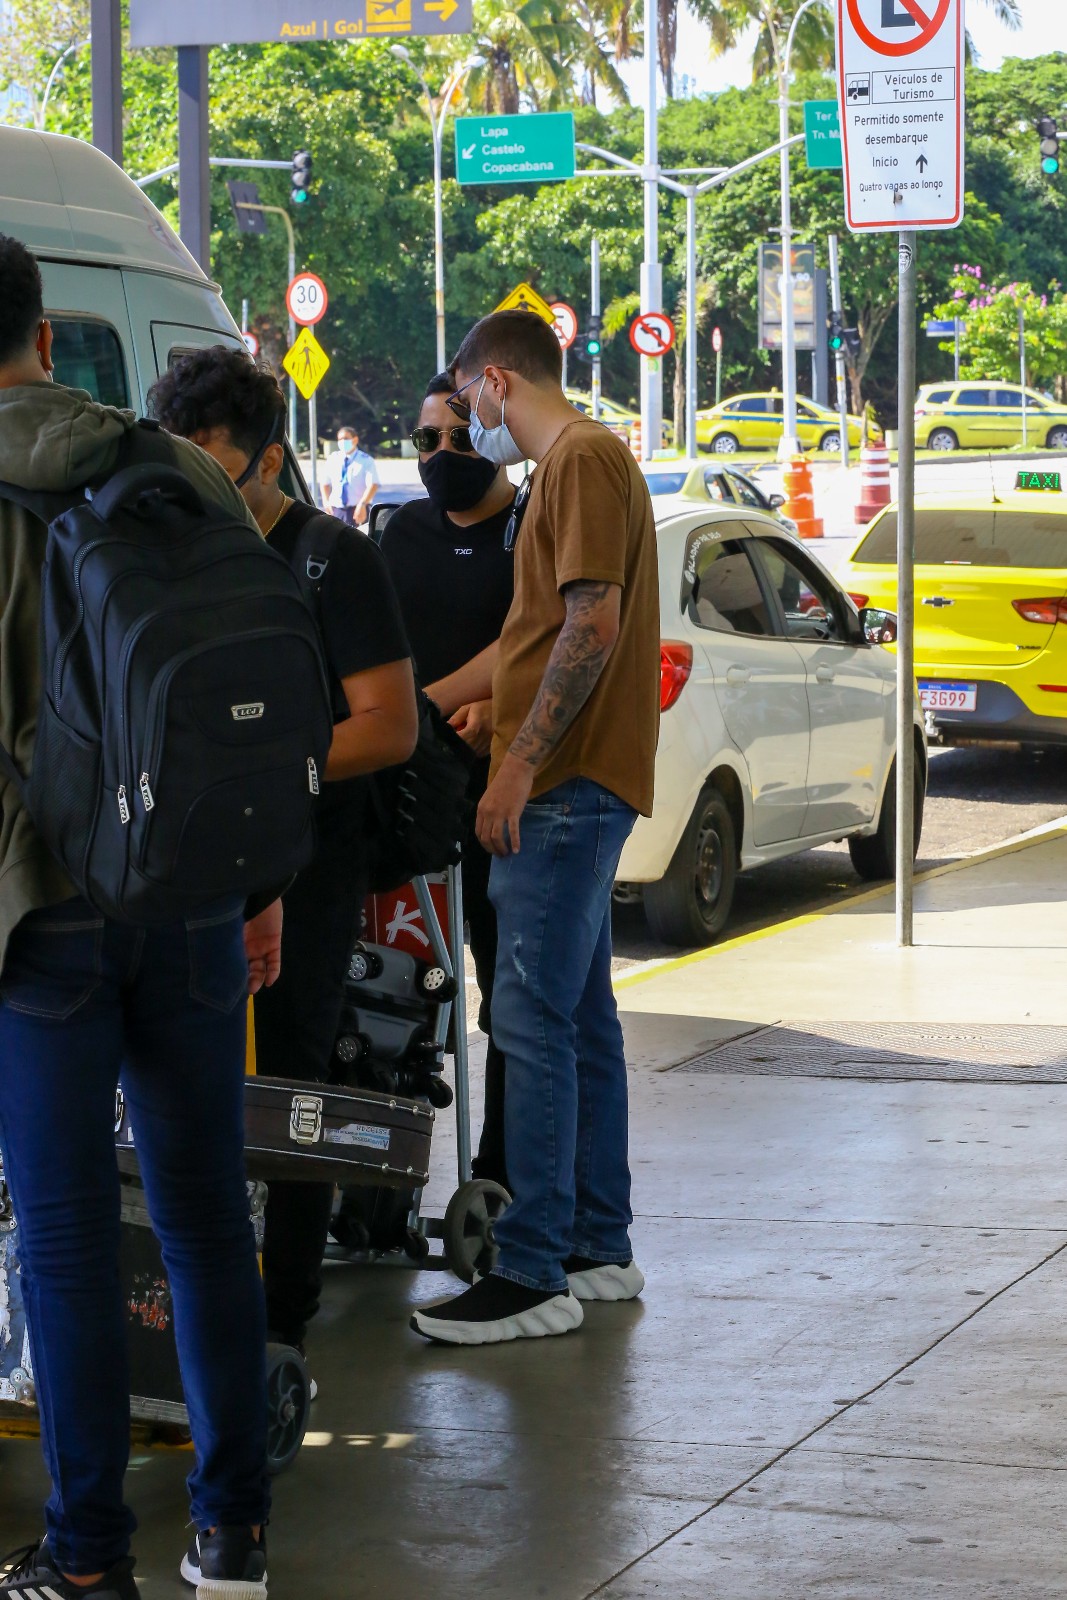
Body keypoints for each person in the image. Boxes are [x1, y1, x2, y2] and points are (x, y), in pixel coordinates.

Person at [0, 236, 274, 1598]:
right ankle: (231, 1536)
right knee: (205, 1214)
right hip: (190, 893)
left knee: (59, 1235)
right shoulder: (175, 467)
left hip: (40, 908)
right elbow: (259, 682)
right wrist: (253, 886)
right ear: (46, 342)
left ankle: (88, 1556)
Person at [148, 348, 418, 1381]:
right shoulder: (166, 555)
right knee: (181, 1090)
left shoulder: (328, 560)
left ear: (265, 462)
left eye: (212, 466)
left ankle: (280, 1319)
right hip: (186, 873)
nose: (191, 489)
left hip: (305, 871)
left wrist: (262, 774)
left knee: (288, 1090)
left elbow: (388, 726)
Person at [409, 309, 660, 1347]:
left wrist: (514, 761)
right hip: (564, 779)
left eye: (467, 403)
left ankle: (531, 1270)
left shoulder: (580, 463)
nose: (466, 429)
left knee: (529, 1021)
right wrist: (428, 704)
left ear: (498, 380)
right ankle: (597, 1247)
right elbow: (534, 638)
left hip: (558, 791)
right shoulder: (570, 471)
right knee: (580, 1017)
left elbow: (590, 624)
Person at [377, 373, 517, 1191]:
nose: (442, 456)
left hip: (502, 796)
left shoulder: (530, 528)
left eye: (460, 440)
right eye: (427, 441)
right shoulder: (399, 535)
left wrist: (494, 705)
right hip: (410, 792)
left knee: (506, 1000)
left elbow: (546, 638)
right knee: (398, 986)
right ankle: (386, 1180)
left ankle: (498, 1172)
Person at [322, 425, 378, 526]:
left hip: (358, 510)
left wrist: (363, 504)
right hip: (336, 510)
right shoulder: (333, 459)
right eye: (340, 439)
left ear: (355, 440)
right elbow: (325, 483)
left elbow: (373, 485)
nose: (343, 442)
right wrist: (326, 502)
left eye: (346, 439)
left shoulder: (365, 460)